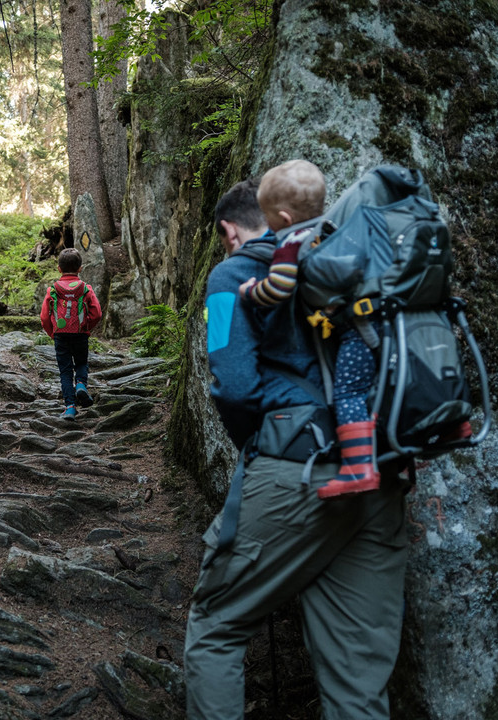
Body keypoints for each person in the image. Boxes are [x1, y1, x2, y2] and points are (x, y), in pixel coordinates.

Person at [184, 177, 409, 720]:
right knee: (357, 676)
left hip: (295, 469)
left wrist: (259, 446)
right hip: (381, 469)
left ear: (228, 230)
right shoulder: (349, 262)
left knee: (216, 624)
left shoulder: (233, 273)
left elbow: (233, 383)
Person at [238, 159, 379, 498]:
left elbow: (280, 288)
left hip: (356, 332)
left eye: (267, 218)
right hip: (380, 323)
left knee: (348, 394)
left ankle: (359, 468)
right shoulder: (331, 230)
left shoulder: (292, 242)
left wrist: (251, 292)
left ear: (283, 219)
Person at [39, 248, 102, 419]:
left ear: (59, 268)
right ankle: (81, 384)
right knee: (81, 362)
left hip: (61, 334)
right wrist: (86, 327)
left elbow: (44, 316)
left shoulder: (52, 290)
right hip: (80, 333)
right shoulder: (85, 288)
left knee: (65, 371)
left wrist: (52, 333)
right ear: (80, 268)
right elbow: (97, 313)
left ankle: (70, 407)